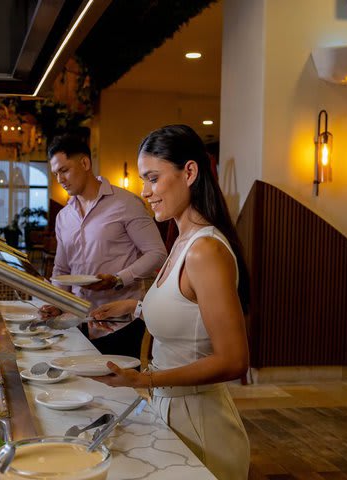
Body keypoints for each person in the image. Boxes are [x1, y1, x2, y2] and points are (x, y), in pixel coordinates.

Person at [89, 124, 250, 480]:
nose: (144, 191)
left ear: (189, 172)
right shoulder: (180, 239)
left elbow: (235, 359)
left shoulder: (205, 249)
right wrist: (133, 308)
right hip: (171, 410)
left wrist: (144, 380)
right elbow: (187, 308)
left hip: (201, 426)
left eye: (152, 178)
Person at [42, 133, 167, 359]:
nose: (59, 179)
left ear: (85, 163)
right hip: (77, 325)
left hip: (119, 326)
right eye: (55, 173)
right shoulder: (63, 217)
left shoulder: (126, 204)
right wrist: (57, 304)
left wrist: (119, 279)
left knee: (120, 393)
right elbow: (62, 271)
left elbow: (157, 254)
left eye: (64, 170)